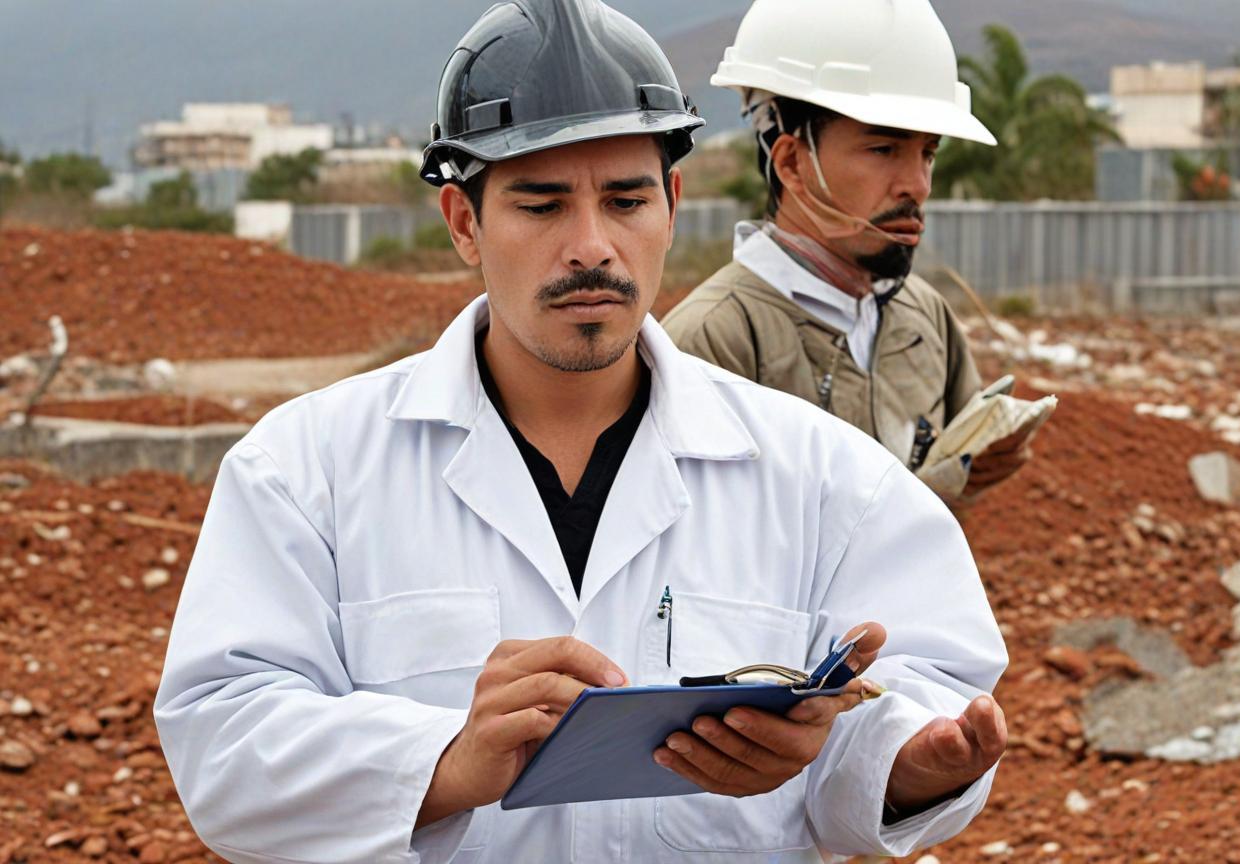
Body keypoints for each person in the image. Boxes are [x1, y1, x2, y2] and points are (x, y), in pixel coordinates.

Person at [154, 2, 1008, 862]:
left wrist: (895, 761)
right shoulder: (307, 473)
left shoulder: (826, 479)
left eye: (626, 200)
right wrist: (449, 762)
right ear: (463, 222)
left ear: (672, 205)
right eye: (542, 205)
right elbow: (224, 741)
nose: (592, 247)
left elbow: (926, 684)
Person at [662, 0, 1036, 500]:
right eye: (884, 150)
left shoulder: (925, 319)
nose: (917, 185)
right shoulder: (710, 343)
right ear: (792, 163)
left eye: (928, 153)